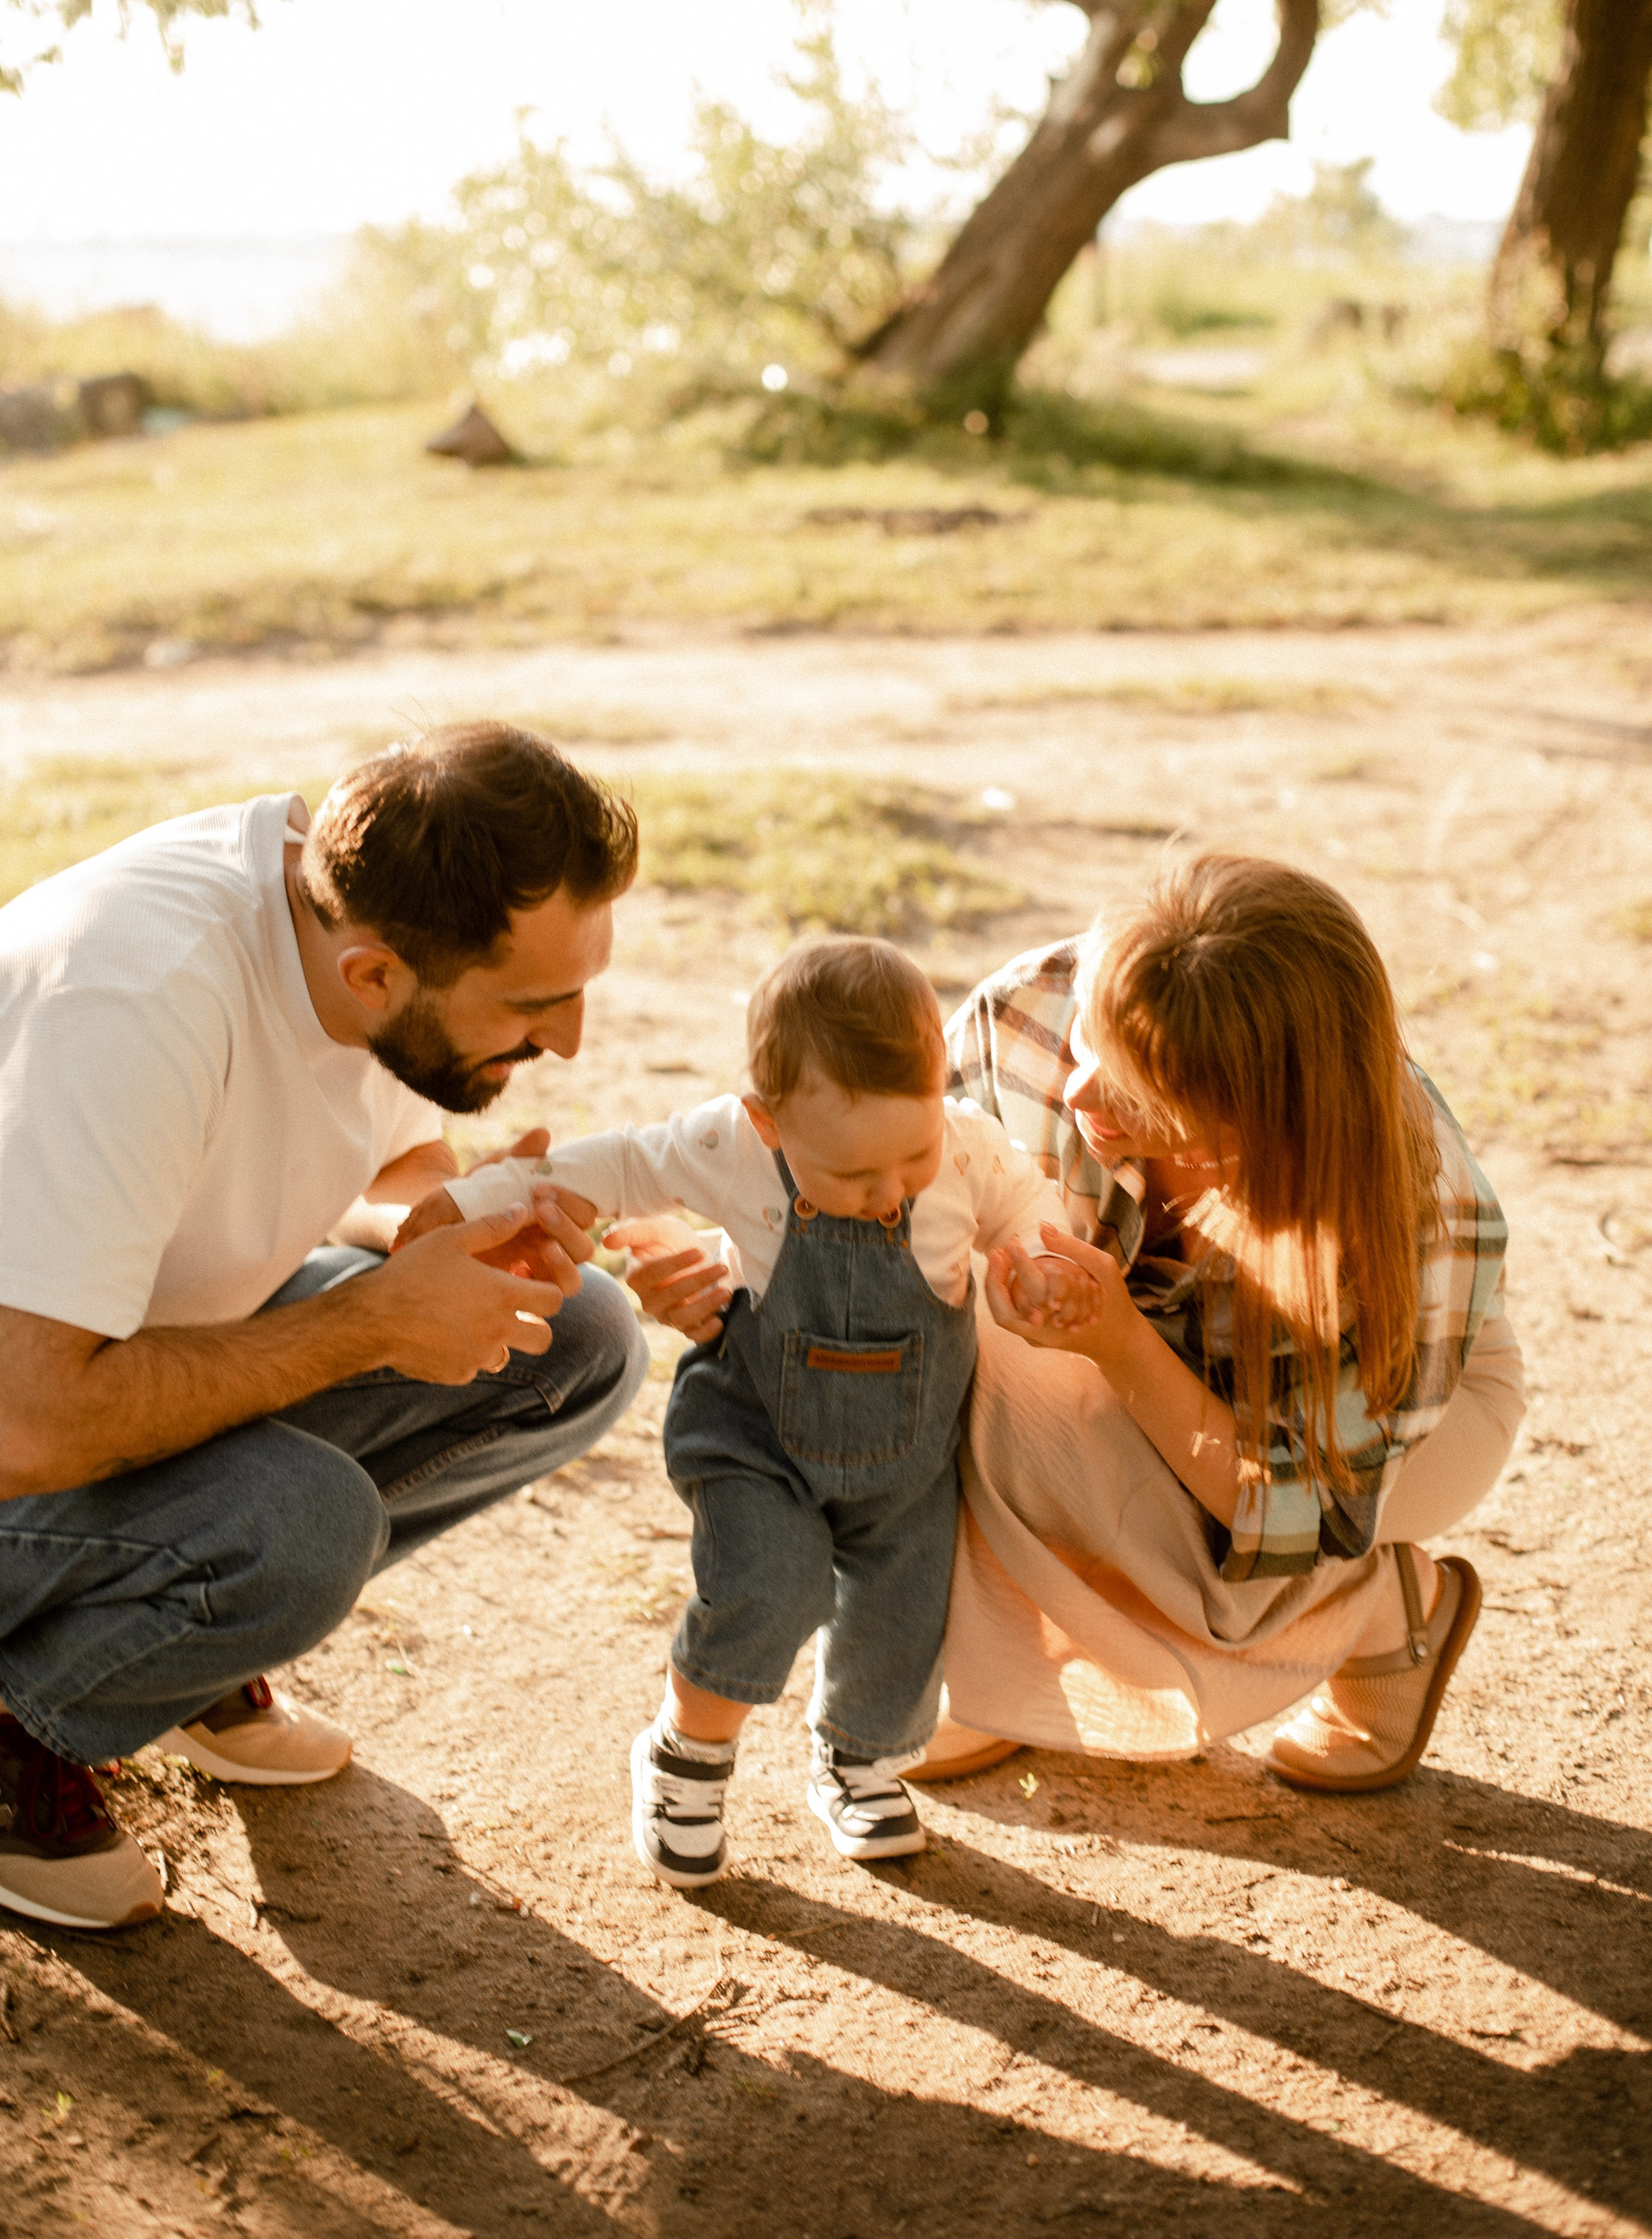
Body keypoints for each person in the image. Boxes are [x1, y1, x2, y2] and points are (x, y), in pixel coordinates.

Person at [0, 724, 650, 1932]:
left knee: (580, 1339)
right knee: (297, 1524)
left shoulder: (365, 906)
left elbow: (398, 1164)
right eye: (537, 1005)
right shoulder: (138, 999)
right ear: (374, 977)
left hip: (90, 1367)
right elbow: (28, 1420)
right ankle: (18, 1720)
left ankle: (170, 1653)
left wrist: (451, 1226)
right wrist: (364, 1326)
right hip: (23, 1411)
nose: (569, 1043)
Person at [410, 937, 1071, 1882]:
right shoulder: (730, 1146)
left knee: (904, 1608)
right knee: (770, 1583)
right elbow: (608, 1169)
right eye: (851, 1175)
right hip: (757, 1432)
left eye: (912, 1156)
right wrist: (475, 1198)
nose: (888, 1190)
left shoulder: (965, 1149)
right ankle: (688, 1751)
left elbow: (1031, 1215)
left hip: (910, 1458)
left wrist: (1040, 1266)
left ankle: (858, 1758)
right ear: (768, 1122)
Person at [918, 851, 1520, 1791]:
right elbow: (883, 1198)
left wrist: (1115, 1338)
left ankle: (1381, 1612)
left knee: (1210, 1565)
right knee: (946, 1352)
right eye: (1088, 1046)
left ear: (1258, 1124)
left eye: (1136, 1098)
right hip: (1142, 1360)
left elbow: (1291, 1509)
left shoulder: (1414, 1206)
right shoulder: (1026, 1015)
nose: (1078, 1099)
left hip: (1369, 1432)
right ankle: (993, 1663)